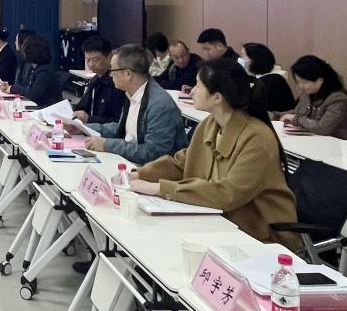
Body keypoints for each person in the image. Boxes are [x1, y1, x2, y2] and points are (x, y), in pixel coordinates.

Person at [131, 59, 300, 249]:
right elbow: (181, 163)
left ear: (217, 98)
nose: (192, 91)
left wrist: (160, 189)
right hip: (218, 223)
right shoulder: (209, 124)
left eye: (198, 86)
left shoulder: (257, 138)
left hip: (260, 237)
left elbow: (229, 193)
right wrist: (138, 175)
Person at [80, 43, 188, 165]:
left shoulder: (160, 105)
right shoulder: (133, 93)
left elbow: (154, 153)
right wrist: (83, 128)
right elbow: (120, 129)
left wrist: (107, 144)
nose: (110, 74)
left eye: (112, 70)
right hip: (132, 162)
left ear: (128, 74)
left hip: (155, 171)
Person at [279, 55, 347, 141]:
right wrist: (275, 115)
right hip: (317, 141)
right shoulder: (307, 94)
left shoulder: (339, 99)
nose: (301, 86)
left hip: (342, 143)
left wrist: (295, 119)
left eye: (304, 82)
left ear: (320, 81)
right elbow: (298, 113)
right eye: (298, 82)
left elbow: (323, 128)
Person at [72, 36, 126, 125]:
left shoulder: (118, 83)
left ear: (109, 57)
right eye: (87, 60)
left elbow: (118, 122)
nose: (91, 64)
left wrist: (89, 119)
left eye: (95, 60)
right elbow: (82, 106)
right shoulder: (95, 79)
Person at [240, 42, 296, 114]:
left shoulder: (265, 84)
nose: (240, 59)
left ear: (254, 60)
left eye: (243, 56)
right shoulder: (274, 78)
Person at [10, 35, 60, 107]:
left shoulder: (44, 72)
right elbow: (25, 86)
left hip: (45, 108)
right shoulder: (34, 67)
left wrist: (13, 88)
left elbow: (33, 94)